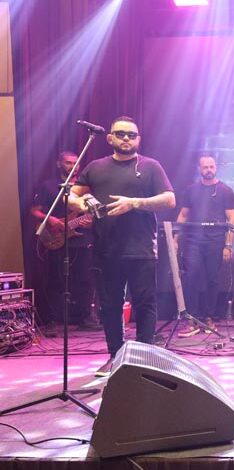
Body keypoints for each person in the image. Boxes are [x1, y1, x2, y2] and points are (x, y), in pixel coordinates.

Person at [71, 116, 175, 377]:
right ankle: (115, 357)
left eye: (131, 135)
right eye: (120, 134)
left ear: (139, 139)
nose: (126, 138)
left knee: (145, 304)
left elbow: (169, 199)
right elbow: (71, 194)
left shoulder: (150, 166)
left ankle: (144, 359)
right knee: (109, 306)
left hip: (141, 249)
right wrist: (81, 203)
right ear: (110, 138)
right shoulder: (95, 167)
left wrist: (134, 203)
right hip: (106, 249)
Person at [30, 151, 97, 329]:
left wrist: (90, 221)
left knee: (84, 280)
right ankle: (52, 319)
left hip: (81, 240)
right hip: (55, 239)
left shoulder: (85, 188)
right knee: (55, 280)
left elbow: (93, 214)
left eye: (76, 163)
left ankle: (84, 318)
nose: (73, 166)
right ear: (59, 164)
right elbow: (34, 211)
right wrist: (49, 219)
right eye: (68, 162)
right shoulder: (48, 186)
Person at [174, 154, 234, 337]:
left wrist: (228, 245)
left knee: (212, 279)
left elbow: (232, 219)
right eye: (205, 167)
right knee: (191, 277)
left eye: (211, 166)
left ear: (215, 168)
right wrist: (175, 239)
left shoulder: (225, 191)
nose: (209, 170)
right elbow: (183, 215)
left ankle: (210, 318)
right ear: (199, 169)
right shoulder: (191, 190)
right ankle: (192, 319)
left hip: (215, 241)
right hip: (193, 240)